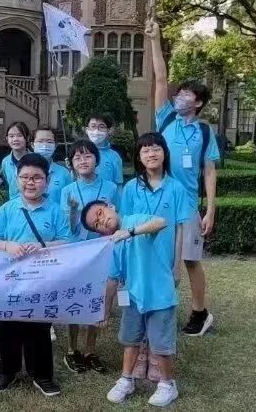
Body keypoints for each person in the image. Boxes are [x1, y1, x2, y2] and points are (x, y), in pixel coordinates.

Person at [147, 17, 220, 335]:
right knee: (161, 257)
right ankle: (160, 307)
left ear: (198, 102)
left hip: (188, 205)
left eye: (187, 94)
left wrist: (210, 209)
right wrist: (155, 40)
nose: (180, 96)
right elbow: (161, 78)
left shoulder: (204, 132)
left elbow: (209, 171)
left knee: (190, 260)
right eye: (180, 93)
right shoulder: (165, 119)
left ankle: (200, 313)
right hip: (160, 200)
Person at [81, 201, 180, 407]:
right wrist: (105, 311)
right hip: (133, 297)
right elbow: (112, 279)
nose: (102, 221)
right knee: (130, 339)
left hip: (160, 295)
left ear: (110, 206)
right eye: (97, 224)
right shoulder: (113, 244)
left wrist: (130, 232)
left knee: (160, 344)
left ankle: (167, 384)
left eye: (100, 213)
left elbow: (161, 222)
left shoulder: (136, 220)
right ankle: (126, 379)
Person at [0, 153, 70, 398]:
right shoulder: (7, 209)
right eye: (24, 177)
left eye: (37, 177)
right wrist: (8, 246)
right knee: (6, 326)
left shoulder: (55, 210)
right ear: (17, 179)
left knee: (39, 328)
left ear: (47, 180)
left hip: (42, 280)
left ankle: (42, 374)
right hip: (9, 280)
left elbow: (66, 241)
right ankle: (7, 370)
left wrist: (44, 247)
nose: (30, 182)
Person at [120, 132, 195, 380]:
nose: (151, 154)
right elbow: (124, 228)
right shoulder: (130, 188)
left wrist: (177, 266)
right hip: (137, 261)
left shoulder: (176, 188)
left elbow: (180, 229)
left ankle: (155, 355)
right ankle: (140, 354)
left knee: (159, 306)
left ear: (165, 153)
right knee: (136, 305)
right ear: (138, 157)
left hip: (163, 261)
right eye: (145, 150)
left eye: (156, 149)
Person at [60, 139, 118, 375]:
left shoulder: (110, 187)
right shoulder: (67, 191)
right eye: (77, 157)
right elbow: (68, 229)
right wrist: (74, 211)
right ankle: (72, 349)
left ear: (96, 159)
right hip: (76, 253)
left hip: (102, 251)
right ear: (71, 163)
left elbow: (118, 222)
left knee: (97, 299)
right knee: (75, 300)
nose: (82, 161)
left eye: (87, 156)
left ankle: (91, 350)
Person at [31, 126, 72, 206]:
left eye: (49, 142)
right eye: (40, 141)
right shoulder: (23, 172)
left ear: (55, 145)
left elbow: (70, 202)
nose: (44, 145)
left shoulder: (64, 173)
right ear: (32, 145)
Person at [0, 121, 32, 200]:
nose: (15, 139)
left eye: (19, 135)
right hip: (13, 204)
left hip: (32, 202)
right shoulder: (5, 161)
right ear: (7, 138)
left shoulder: (36, 160)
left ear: (27, 137)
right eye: (11, 136)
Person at [86, 113, 124, 195]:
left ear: (109, 130)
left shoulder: (115, 156)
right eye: (93, 126)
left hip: (107, 201)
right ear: (87, 130)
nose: (96, 131)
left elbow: (119, 185)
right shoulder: (79, 154)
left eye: (101, 127)